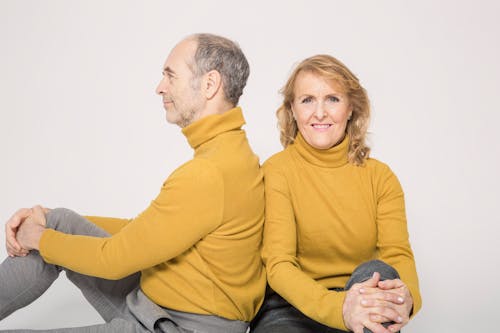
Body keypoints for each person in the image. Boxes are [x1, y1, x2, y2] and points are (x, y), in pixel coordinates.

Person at [0, 33, 266, 333]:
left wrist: (37, 237)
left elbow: (114, 260)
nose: (160, 87)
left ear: (209, 84)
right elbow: (142, 232)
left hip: (175, 326)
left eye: (170, 75)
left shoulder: (209, 173)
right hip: (150, 304)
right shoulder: (231, 154)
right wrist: (46, 221)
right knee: (58, 221)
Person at [250, 55, 421, 333]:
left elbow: (398, 255)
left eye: (332, 99)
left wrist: (407, 299)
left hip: (363, 296)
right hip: (290, 307)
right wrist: (341, 309)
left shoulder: (381, 177)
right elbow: (279, 264)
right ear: (292, 109)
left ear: (351, 108)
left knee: (379, 274)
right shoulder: (276, 172)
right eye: (307, 100)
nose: (320, 113)